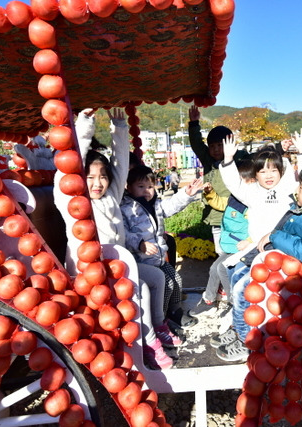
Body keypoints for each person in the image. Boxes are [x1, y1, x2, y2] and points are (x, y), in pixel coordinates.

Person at [54, 108, 178, 370]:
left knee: (156, 278)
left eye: (102, 177)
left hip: (119, 266)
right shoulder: (72, 201)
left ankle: (158, 326)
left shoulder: (111, 196)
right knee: (141, 288)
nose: (96, 183)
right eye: (89, 177)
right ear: (78, 179)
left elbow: (121, 162)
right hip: (89, 273)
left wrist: (120, 126)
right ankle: (149, 344)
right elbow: (67, 164)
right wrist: (85, 122)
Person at [211, 131, 302, 362]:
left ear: (281, 171)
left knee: (242, 290)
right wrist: (228, 160)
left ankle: (244, 340)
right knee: (232, 273)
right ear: (256, 174)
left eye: (273, 170)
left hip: (278, 254)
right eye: (262, 170)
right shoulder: (252, 193)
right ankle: (239, 324)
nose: (268, 175)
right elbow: (233, 183)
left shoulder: (289, 189)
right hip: (257, 253)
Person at [121, 165, 204, 331]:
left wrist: (186, 195)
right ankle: (160, 316)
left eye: (150, 187)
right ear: (128, 187)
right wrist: (140, 244)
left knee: (176, 280)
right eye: (141, 186)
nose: (147, 191)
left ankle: (175, 310)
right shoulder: (126, 208)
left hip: (158, 258)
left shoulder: (155, 205)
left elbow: (171, 205)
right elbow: (123, 233)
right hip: (142, 260)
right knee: (166, 286)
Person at [188, 158, 255, 318]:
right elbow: (218, 203)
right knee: (214, 268)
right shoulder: (233, 199)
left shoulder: (252, 204)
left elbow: (260, 228)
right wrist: (210, 192)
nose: (239, 186)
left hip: (243, 248)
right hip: (230, 246)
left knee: (222, 268)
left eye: (244, 182)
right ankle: (209, 300)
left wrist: (250, 242)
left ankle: (235, 303)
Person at [188, 105, 249, 256]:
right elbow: (196, 144)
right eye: (212, 146)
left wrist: (279, 148)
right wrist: (194, 124)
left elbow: (260, 160)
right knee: (220, 250)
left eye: (220, 145)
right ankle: (224, 275)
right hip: (217, 216)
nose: (215, 149)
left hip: (237, 212)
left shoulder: (241, 157)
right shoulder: (208, 160)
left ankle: (233, 274)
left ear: (230, 143)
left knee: (238, 249)